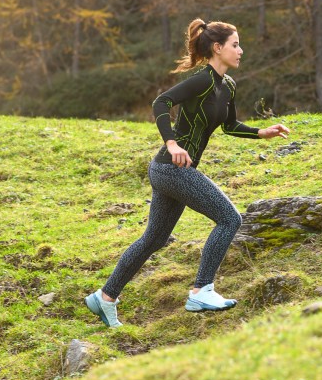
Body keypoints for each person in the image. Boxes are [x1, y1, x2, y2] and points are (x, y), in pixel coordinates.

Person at [85, 19, 290, 327]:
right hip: (170, 168)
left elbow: (230, 125)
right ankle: (201, 289)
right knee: (230, 218)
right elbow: (161, 102)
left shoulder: (227, 86)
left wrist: (262, 132)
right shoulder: (203, 80)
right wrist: (171, 142)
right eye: (235, 45)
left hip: (172, 172)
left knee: (153, 239)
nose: (240, 51)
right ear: (217, 48)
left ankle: (105, 297)